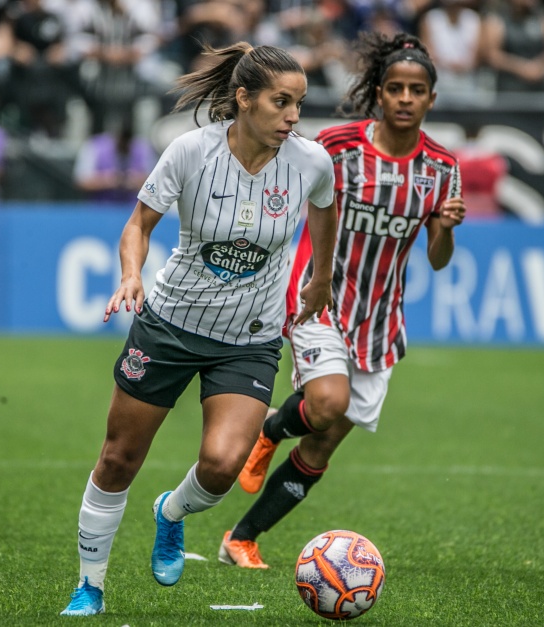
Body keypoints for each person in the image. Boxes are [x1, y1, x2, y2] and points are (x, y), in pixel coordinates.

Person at [59, 41, 337, 616]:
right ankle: (90, 585)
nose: (293, 117)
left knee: (221, 466)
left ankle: (171, 513)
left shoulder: (311, 163)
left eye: (299, 104)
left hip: (253, 337)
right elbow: (137, 225)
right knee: (117, 459)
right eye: (281, 102)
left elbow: (326, 210)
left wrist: (322, 278)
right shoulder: (190, 152)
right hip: (171, 325)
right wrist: (131, 275)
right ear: (243, 98)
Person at [218, 31, 466, 569]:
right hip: (320, 298)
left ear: (431, 99)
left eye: (416, 90)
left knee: (322, 445)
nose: (405, 98)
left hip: (381, 323)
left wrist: (443, 229)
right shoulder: (338, 145)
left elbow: (439, 258)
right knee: (326, 405)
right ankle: (268, 432)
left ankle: (241, 537)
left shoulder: (442, 169)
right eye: (395, 88)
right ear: (377, 93)